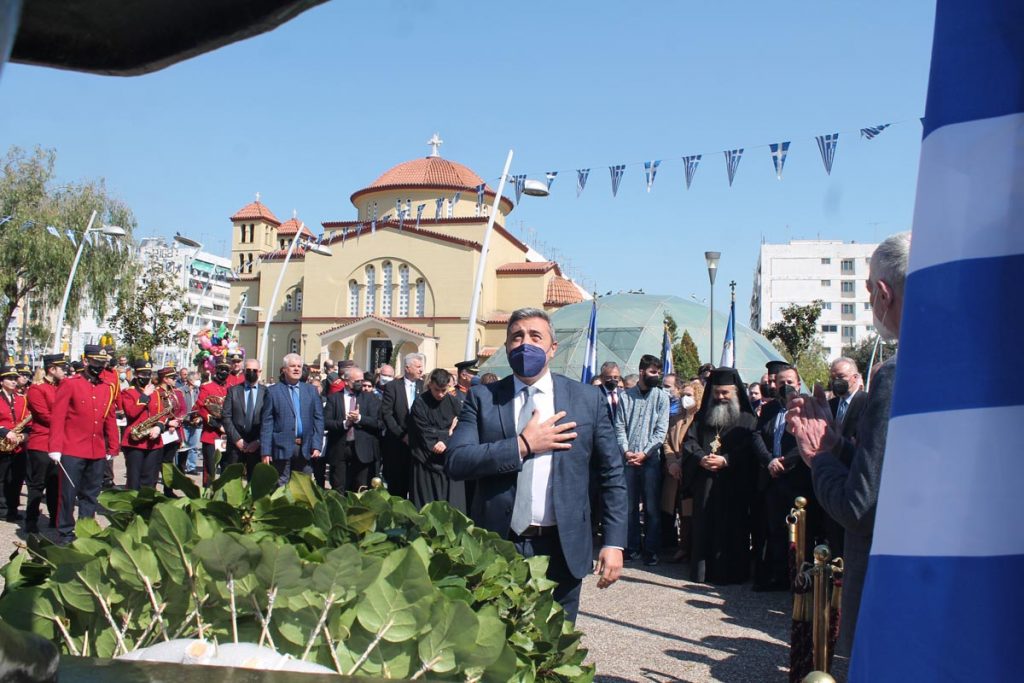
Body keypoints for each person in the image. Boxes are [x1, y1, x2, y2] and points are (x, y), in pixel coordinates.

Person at [446, 307, 627, 622]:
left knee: (555, 641)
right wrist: (522, 445)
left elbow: (611, 473)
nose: (525, 343)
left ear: (552, 348)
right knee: (496, 637)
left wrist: (614, 542)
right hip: (498, 545)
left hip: (562, 547)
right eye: (516, 337)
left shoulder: (586, 399)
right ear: (506, 346)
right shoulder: (483, 398)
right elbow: (456, 460)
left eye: (535, 336)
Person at [787, 231, 909, 656]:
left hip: (891, 588)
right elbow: (893, 473)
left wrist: (819, 456)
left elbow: (860, 506)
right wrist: (839, 447)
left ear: (882, 293)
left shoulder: (897, 373)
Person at [682, 366, 758, 584]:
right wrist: (700, 458)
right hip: (705, 481)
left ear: (735, 392)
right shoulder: (701, 417)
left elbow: (751, 449)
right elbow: (689, 442)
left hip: (734, 483)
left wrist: (726, 460)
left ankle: (733, 572)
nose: (721, 397)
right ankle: (703, 571)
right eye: (717, 392)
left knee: (733, 526)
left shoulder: (748, 420)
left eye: (725, 393)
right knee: (705, 524)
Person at [751, 365, 821, 591]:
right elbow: (757, 435)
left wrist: (785, 462)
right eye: (781, 382)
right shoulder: (770, 408)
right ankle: (779, 575)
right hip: (772, 479)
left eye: (790, 381)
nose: (785, 386)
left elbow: (809, 439)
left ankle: (801, 577)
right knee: (776, 530)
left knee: (801, 532)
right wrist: (770, 461)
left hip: (797, 478)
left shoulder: (808, 407)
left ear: (798, 384)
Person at [48, 345, 120, 544]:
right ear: (86, 361)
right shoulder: (70, 384)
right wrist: (55, 447)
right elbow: (58, 417)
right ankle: (65, 532)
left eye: (102, 363)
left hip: (96, 449)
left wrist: (113, 446)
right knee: (68, 494)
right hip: (72, 448)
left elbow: (109, 418)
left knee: (91, 494)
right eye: (96, 362)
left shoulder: (107, 387)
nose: (99, 366)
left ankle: (85, 531)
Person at [615, 354, 670, 566]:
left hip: (650, 460)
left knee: (651, 508)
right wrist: (627, 451)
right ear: (641, 372)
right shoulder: (625, 397)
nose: (657, 376)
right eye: (653, 372)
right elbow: (619, 427)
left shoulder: (661, 397)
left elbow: (661, 431)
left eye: (658, 373)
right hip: (628, 461)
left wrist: (645, 453)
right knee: (629, 507)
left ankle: (651, 549)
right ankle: (632, 547)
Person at [260, 353, 324, 487]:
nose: (296, 369)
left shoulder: (311, 391)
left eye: (299, 366)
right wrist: (265, 450)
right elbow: (267, 423)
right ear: (284, 369)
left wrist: (317, 445)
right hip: (281, 447)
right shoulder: (273, 391)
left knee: (304, 487)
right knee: (281, 486)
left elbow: (318, 419)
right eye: (292, 366)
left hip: (305, 447)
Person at [408, 368, 465, 512]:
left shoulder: (454, 402)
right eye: (436, 390)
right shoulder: (420, 403)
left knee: (452, 509)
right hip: (425, 461)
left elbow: (462, 427)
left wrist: (446, 441)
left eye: (443, 390)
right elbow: (423, 431)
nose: (440, 394)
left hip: (448, 461)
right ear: (430, 385)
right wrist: (447, 434)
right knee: (427, 510)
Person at [24, 354, 66, 533]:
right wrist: (68, 422)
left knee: (55, 483)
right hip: (42, 441)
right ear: (52, 369)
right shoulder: (37, 389)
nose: (65, 371)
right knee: (37, 484)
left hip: (59, 442)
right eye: (62, 368)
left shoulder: (62, 387)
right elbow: (44, 416)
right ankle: (31, 520)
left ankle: (54, 518)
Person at [661, 379, 703, 562]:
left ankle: (690, 547)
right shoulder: (675, 418)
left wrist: (681, 462)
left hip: (691, 472)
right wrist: (672, 462)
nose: (686, 398)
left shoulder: (701, 419)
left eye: (689, 395)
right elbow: (667, 442)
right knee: (677, 509)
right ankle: (681, 546)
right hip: (674, 472)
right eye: (683, 395)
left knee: (690, 512)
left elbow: (695, 445)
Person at [323, 365, 381, 491]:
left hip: (362, 450)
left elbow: (378, 423)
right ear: (346, 381)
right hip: (340, 448)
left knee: (361, 488)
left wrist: (359, 418)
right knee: (339, 487)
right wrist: (345, 423)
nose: (361, 383)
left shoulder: (370, 398)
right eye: (357, 381)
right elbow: (326, 422)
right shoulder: (334, 398)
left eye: (362, 380)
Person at [380, 353, 424, 498]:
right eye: (418, 366)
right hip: (397, 444)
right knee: (397, 488)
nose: (421, 370)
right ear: (407, 368)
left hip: (418, 445)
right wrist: (402, 435)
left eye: (421, 367)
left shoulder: (424, 386)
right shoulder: (392, 387)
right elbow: (387, 414)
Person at [118, 359, 165, 491]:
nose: (146, 377)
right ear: (136, 374)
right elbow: (131, 413)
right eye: (143, 374)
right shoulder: (128, 392)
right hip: (135, 442)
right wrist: (144, 396)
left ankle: (147, 502)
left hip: (153, 440)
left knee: (150, 478)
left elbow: (161, 413)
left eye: (148, 374)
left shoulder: (156, 393)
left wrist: (158, 427)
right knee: (134, 478)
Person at [222, 358, 266, 480]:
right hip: (236, 445)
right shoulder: (233, 391)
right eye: (248, 370)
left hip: (257, 446)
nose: (251, 372)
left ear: (260, 371)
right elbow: (226, 417)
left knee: (255, 482)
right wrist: (237, 439)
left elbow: (268, 419)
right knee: (232, 481)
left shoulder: (266, 392)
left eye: (254, 370)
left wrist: (258, 441)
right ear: (244, 371)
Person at [0, 364, 30, 522]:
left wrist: (24, 436)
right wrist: (5, 432)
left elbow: (27, 422)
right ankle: (2, 508)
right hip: (2, 443)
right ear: (1, 381)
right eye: (9, 378)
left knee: (17, 478)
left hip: (18, 446)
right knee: (2, 478)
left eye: (14, 378)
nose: (13, 381)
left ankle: (13, 508)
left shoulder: (22, 399)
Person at [196, 355, 231, 485]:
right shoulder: (207, 387)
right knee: (210, 469)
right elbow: (200, 408)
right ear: (215, 369)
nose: (224, 372)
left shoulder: (231, 388)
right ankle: (208, 493)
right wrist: (217, 425)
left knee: (226, 468)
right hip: (211, 435)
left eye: (226, 370)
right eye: (221, 369)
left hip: (227, 436)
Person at [155, 367, 186, 493]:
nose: (175, 380)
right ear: (165, 379)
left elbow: (183, 409)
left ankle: (168, 490)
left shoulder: (177, 392)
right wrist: (168, 422)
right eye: (172, 378)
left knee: (168, 462)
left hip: (173, 432)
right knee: (156, 462)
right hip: (160, 431)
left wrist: (177, 421)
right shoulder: (156, 392)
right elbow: (155, 412)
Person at [828, 357, 868, 450]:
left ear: (855, 378)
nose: (836, 381)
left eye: (841, 377)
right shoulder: (830, 405)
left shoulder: (867, 402)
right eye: (833, 378)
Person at [179, 371, 201, 474]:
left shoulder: (198, 391)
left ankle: (191, 467)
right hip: (185, 422)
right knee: (183, 447)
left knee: (194, 446)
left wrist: (199, 418)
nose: (198, 381)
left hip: (197, 423)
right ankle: (180, 468)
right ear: (191, 380)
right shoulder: (181, 391)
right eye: (197, 379)